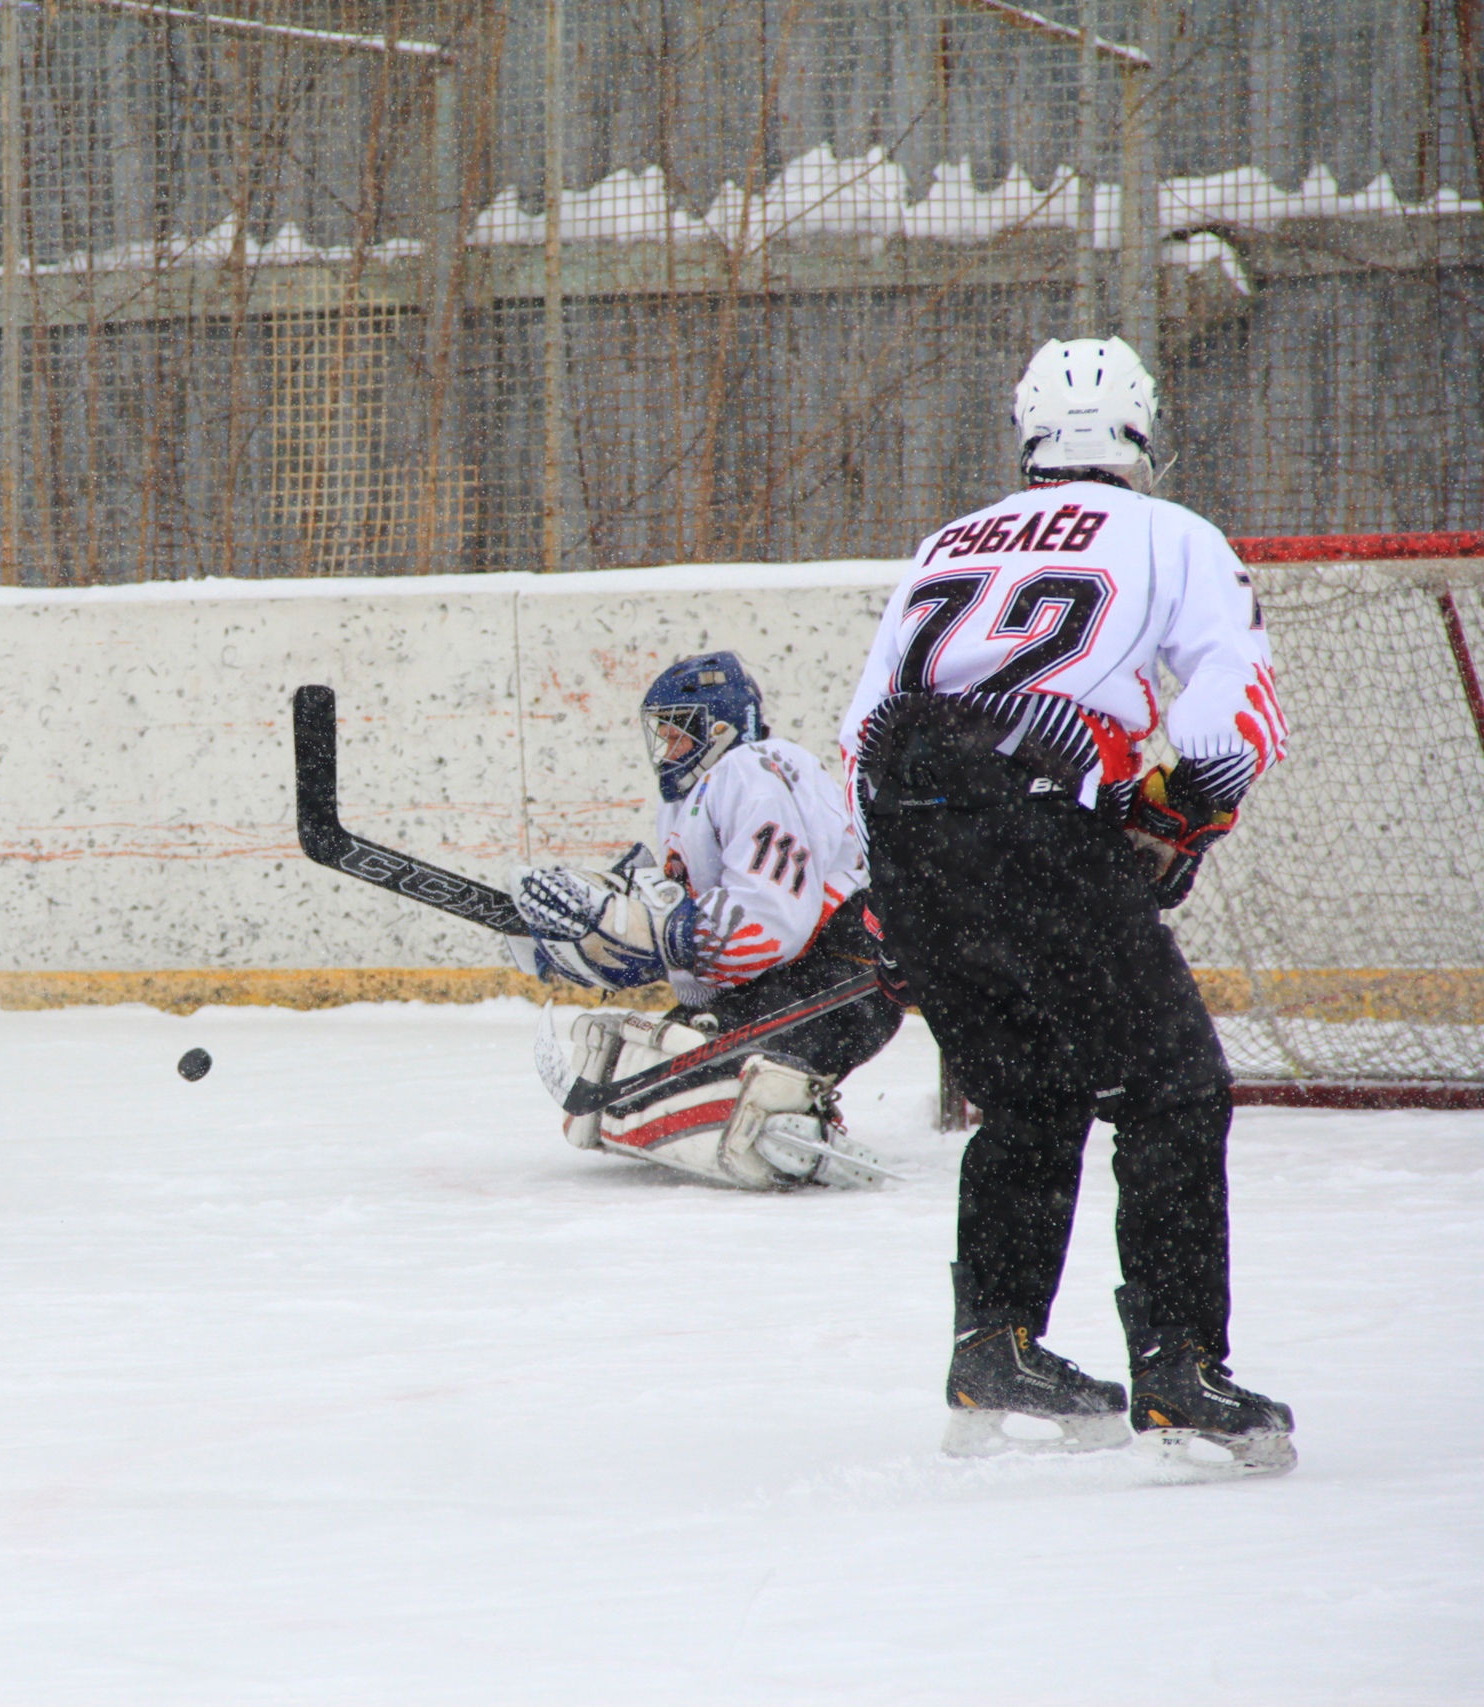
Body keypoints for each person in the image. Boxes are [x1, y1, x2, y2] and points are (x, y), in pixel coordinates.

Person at [839, 336, 1295, 1476]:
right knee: (1173, 1090)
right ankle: (1179, 1371)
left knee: (1028, 1096)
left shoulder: (946, 543)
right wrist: (1186, 814)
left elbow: (861, 728)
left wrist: (886, 891)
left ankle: (993, 1350)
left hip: (909, 828)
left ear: (1026, 431)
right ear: (1143, 429)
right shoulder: (1170, 533)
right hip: (1038, 826)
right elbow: (1230, 706)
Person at [510, 652, 901, 1190]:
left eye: (679, 733)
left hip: (841, 980)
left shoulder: (755, 770)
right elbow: (695, 931)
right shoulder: (692, 795)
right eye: (663, 735)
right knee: (645, 1080)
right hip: (786, 979)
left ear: (719, 727)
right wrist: (601, 944)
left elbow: (771, 925)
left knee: (707, 1080)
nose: (667, 748)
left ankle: (796, 1128)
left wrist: (658, 936)